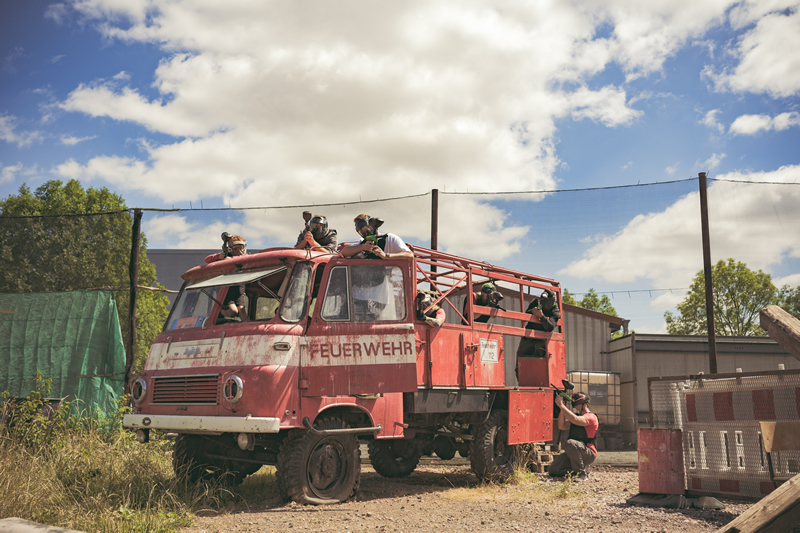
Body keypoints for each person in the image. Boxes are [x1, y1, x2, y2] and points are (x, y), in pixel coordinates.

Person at [548, 392, 599, 481]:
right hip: (575, 452)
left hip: (589, 453)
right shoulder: (576, 418)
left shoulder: (591, 417)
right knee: (553, 469)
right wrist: (562, 408)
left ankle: (581, 474)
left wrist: (562, 406)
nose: (576, 405)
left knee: (570, 443)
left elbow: (576, 420)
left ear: (585, 403)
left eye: (578, 402)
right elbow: (561, 426)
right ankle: (581, 469)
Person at [340, 215, 413, 260]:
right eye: (359, 231)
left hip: (383, 283)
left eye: (363, 229)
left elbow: (409, 255)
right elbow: (343, 252)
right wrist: (362, 247)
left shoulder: (390, 238)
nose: (362, 232)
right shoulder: (363, 242)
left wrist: (386, 256)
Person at [516, 288, 561, 357]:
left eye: (545, 300)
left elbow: (550, 327)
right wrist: (533, 311)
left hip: (542, 339)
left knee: (538, 355)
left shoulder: (555, 310)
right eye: (542, 299)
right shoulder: (536, 302)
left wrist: (541, 316)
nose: (543, 301)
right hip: (529, 337)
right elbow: (525, 317)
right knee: (521, 356)